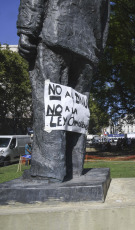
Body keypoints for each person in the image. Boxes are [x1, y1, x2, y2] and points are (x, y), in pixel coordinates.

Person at [17, 0, 110, 182]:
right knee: (77, 108)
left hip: (55, 31)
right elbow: (105, 17)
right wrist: (98, 51)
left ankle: (47, 170)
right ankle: (74, 167)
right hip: (88, 45)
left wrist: (27, 29)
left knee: (49, 101)